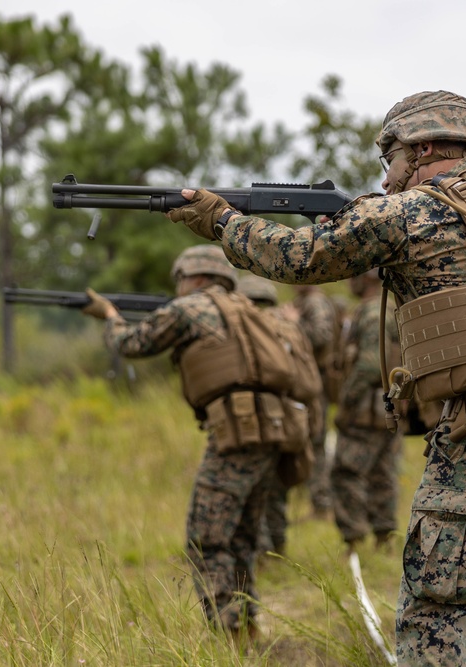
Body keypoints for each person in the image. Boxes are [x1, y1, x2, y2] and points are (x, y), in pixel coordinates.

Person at [167, 90, 466, 666]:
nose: (388, 176)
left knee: (435, 610)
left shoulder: (410, 210)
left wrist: (221, 220)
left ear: (419, 150)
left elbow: (300, 258)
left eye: (389, 158)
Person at [80, 244, 285, 643]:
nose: (179, 287)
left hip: (234, 431)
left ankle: (230, 633)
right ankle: (249, 626)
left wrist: (108, 316)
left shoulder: (190, 308)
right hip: (270, 428)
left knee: (206, 538)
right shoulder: (245, 308)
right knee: (241, 536)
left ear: (196, 277)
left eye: (182, 279)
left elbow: (133, 343)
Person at [237, 274, 324, 558]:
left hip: (259, 416)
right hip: (293, 419)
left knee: (254, 486)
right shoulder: (291, 327)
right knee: (277, 487)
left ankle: (261, 552)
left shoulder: (247, 325)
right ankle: (278, 545)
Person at [330, 270, 403, 554]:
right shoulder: (389, 309)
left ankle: (354, 540)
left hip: (366, 408)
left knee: (346, 471)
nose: (350, 279)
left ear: (369, 278)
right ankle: (384, 537)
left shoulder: (374, 313)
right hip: (388, 406)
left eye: (355, 274)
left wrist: (346, 402)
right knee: (382, 472)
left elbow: (372, 365)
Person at [290, 284, 339, 520]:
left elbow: (321, 335)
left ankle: (321, 504)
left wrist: (292, 323)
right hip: (310, 379)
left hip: (314, 380)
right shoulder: (308, 301)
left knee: (315, 442)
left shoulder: (314, 302)